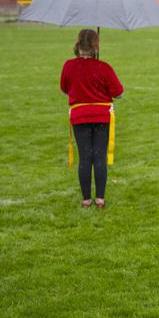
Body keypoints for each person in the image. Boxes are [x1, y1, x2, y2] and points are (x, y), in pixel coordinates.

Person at [60, 29, 124, 209]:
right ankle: (100, 199)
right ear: (96, 45)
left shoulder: (68, 65)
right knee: (99, 157)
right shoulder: (104, 67)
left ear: (78, 44)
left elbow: (64, 88)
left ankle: (86, 200)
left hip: (80, 117)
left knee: (85, 157)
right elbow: (119, 93)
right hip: (101, 117)